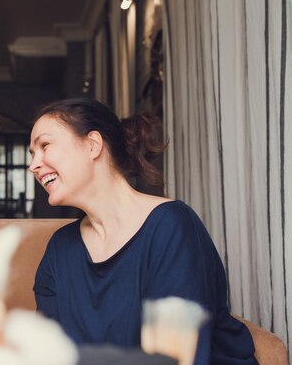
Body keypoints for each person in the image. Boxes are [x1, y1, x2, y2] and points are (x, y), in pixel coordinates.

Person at [28, 98, 257, 364]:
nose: (34, 165)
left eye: (44, 146)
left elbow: (176, 358)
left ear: (93, 145)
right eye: (32, 154)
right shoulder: (60, 249)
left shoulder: (171, 227)